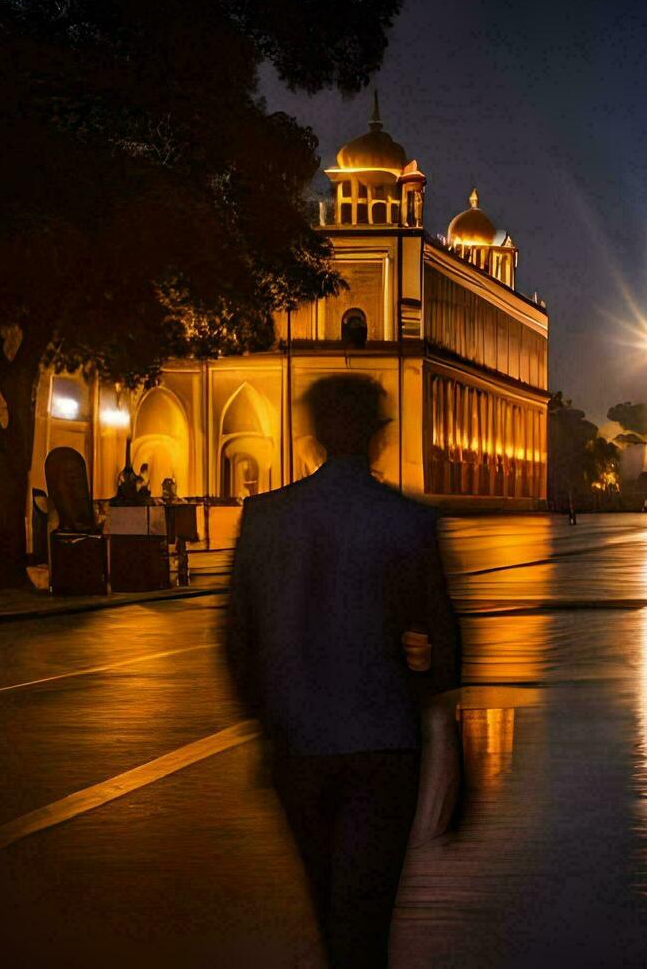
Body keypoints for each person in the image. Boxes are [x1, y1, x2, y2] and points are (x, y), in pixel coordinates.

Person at [225, 374, 462, 967]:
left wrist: (264, 722)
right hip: (384, 746)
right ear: (378, 436)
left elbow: (235, 640)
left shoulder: (264, 518)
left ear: (313, 434)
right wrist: (447, 736)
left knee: (327, 898)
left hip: (297, 746)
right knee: (367, 908)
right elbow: (446, 645)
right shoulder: (407, 522)